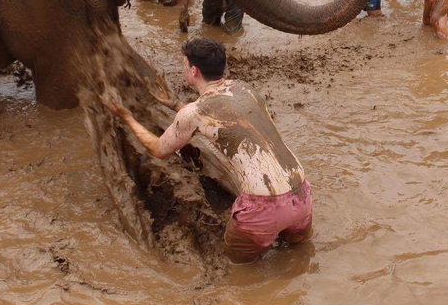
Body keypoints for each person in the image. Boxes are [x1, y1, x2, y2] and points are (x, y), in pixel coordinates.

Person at [103, 38, 312, 263]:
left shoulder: (194, 112)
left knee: (240, 267)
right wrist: (174, 104)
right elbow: (221, 119)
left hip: (262, 206)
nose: (183, 70)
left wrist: (127, 117)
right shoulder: (244, 89)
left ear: (194, 71)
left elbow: (159, 149)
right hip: (301, 192)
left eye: (184, 65)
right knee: (299, 255)